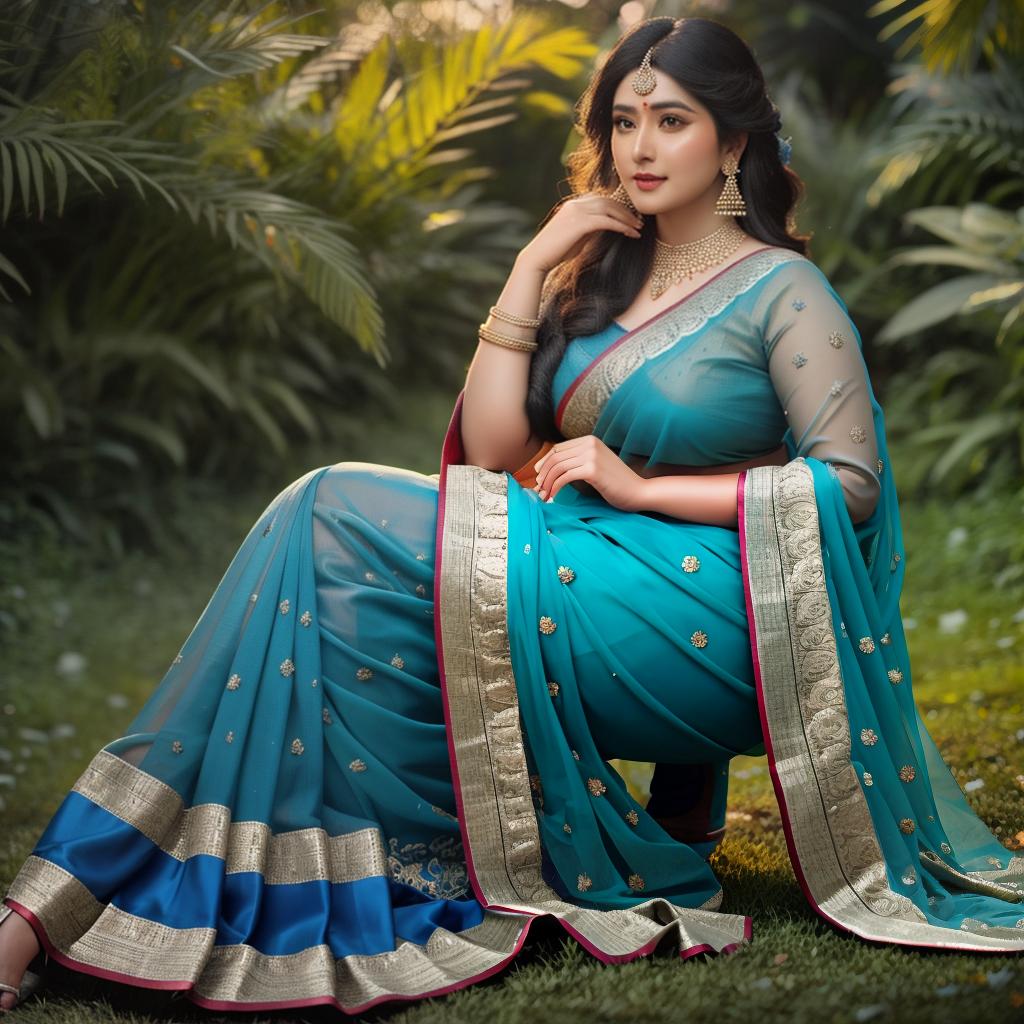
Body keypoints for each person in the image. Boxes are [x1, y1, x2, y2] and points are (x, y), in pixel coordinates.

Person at [1, 13, 1022, 1017]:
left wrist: (639, 487)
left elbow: (848, 483)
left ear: (734, 140)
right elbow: (492, 450)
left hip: (717, 623)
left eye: (671, 120)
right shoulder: (603, 270)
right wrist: (534, 264)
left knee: (327, 512)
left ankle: (66, 896)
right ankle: (310, 878)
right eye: (623, 121)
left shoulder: (784, 291)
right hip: (584, 569)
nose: (640, 146)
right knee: (323, 548)